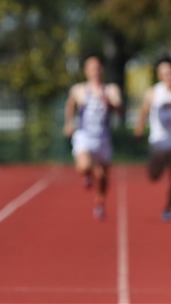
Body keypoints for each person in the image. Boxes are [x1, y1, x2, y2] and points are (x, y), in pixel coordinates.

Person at [133, 57, 171, 222]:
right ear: (160, 76)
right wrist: (138, 129)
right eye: (165, 73)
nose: (169, 76)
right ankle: (158, 168)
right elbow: (144, 112)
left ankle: (168, 208)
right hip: (159, 141)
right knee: (154, 176)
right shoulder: (153, 92)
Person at [63, 55, 123, 220]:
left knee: (103, 176)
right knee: (83, 165)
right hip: (84, 135)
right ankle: (87, 173)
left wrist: (110, 103)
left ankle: (99, 203)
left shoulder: (111, 90)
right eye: (91, 69)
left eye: (97, 68)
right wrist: (68, 123)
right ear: (86, 72)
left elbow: (119, 109)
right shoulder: (79, 90)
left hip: (103, 138)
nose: (95, 72)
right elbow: (70, 105)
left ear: (102, 70)